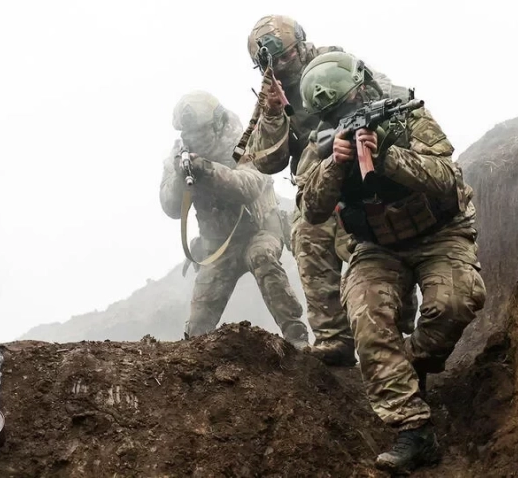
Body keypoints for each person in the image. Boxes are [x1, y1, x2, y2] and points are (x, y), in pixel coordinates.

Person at [297, 52, 487, 473]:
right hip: (376, 246)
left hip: (440, 234)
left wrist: (386, 156)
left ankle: (408, 365)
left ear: (363, 87)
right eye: (336, 113)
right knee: (368, 321)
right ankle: (414, 430)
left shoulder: (406, 116)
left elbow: (448, 178)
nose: (347, 114)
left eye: (350, 103)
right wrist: (335, 164)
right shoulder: (321, 145)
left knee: (455, 303)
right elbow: (310, 209)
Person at [244, 15, 418, 366]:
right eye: (274, 63)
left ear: (301, 45)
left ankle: (399, 329)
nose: (283, 66)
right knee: (307, 235)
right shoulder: (272, 94)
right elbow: (266, 161)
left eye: (287, 56)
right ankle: (333, 338)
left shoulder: (334, 63)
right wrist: (273, 113)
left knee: (379, 244)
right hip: (319, 184)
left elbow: (385, 93)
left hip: (365, 171)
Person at [159, 90, 309, 349]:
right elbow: (171, 208)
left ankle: (296, 337)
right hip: (219, 246)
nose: (194, 138)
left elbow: (248, 187)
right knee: (198, 326)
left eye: (199, 131)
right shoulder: (178, 157)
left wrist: (207, 170)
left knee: (262, 257)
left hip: (260, 230)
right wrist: (179, 178)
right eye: (188, 133)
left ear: (217, 124)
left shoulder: (246, 142)